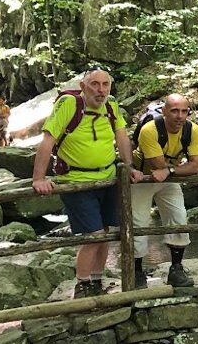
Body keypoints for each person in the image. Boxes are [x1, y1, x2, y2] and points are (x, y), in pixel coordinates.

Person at [31, 67, 143, 298]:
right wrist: (39, 179)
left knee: (106, 232)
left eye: (105, 84)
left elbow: (121, 135)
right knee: (94, 235)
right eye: (95, 84)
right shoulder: (69, 105)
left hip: (108, 179)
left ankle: (96, 280)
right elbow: (48, 140)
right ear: (83, 87)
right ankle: (82, 285)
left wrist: (129, 166)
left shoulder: (111, 106)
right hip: (76, 180)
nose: (100, 90)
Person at [130, 94, 198, 288]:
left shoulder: (191, 130)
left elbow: (196, 165)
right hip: (141, 179)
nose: (180, 116)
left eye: (184, 111)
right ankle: (136, 272)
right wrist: (170, 168)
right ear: (164, 112)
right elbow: (156, 166)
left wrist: (170, 170)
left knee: (179, 218)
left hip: (169, 177)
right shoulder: (149, 130)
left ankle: (176, 269)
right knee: (138, 223)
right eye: (174, 111)